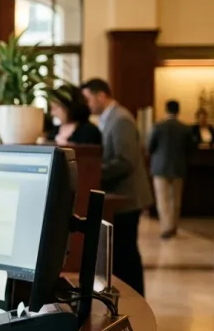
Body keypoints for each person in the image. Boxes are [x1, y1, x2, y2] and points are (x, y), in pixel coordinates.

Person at [81, 78, 153, 297]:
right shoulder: (108, 118)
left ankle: (136, 298)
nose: (87, 104)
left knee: (126, 253)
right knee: (122, 252)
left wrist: (95, 175)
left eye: (88, 98)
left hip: (127, 197)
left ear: (101, 95)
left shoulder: (120, 119)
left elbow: (126, 160)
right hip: (121, 196)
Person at [148, 100, 195, 239]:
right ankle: (173, 226)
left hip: (160, 167)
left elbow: (150, 146)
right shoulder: (185, 128)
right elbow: (190, 149)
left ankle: (166, 227)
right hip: (179, 167)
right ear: (178, 111)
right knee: (176, 199)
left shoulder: (158, 126)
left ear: (166, 110)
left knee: (163, 199)